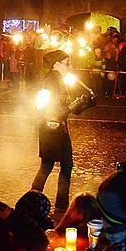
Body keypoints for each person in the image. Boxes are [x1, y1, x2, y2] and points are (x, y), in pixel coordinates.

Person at [31, 50, 95, 210]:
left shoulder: (59, 80)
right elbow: (45, 108)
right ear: (56, 64)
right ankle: (38, 201)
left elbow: (68, 108)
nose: (70, 66)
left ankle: (56, 202)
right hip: (51, 128)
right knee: (49, 166)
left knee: (60, 165)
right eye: (67, 63)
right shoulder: (50, 81)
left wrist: (87, 103)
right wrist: (77, 103)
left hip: (59, 128)